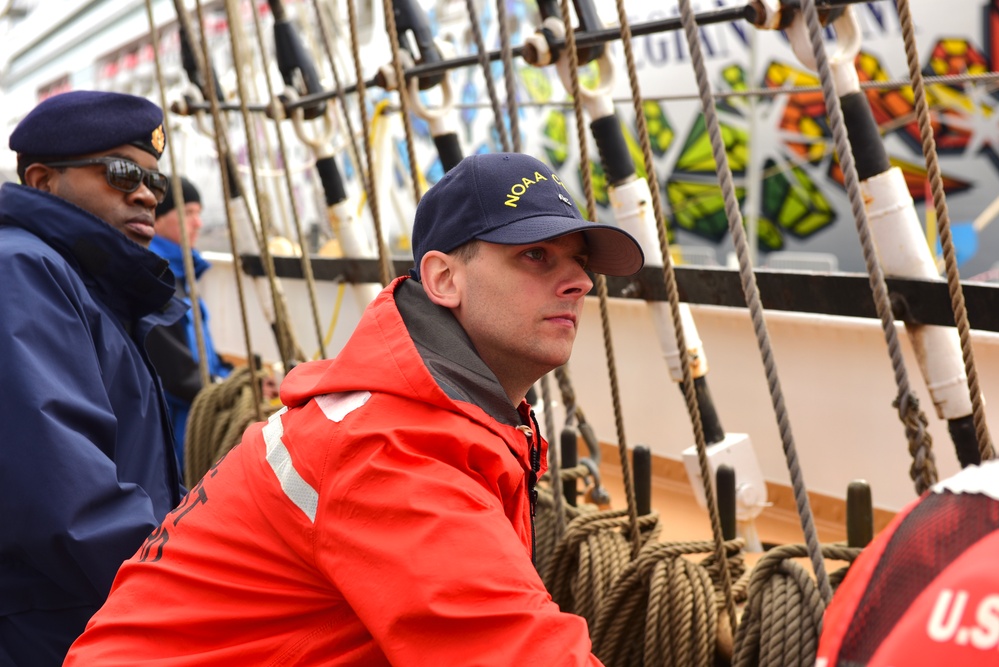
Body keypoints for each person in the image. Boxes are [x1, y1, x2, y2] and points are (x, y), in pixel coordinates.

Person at [64, 151, 644, 665]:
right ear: (443, 278)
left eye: (581, 263)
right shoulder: (390, 452)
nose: (579, 282)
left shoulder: (434, 418)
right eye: (538, 256)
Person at [0, 90, 186, 666]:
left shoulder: (87, 284)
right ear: (42, 180)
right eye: (121, 171)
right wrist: (193, 581)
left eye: (155, 181)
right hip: (56, 628)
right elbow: (65, 492)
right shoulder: (21, 271)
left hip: (98, 612)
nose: (143, 194)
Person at [146, 176, 232, 469]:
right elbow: (176, 373)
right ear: (156, 217)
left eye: (199, 213)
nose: (198, 223)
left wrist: (230, 376)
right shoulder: (156, 273)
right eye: (188, 213)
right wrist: (226, 392)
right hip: (181, 427)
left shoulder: (181, 270)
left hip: (196, 408)